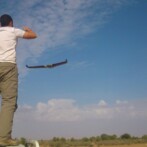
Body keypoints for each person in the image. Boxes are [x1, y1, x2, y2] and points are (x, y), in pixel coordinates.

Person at [0, 14, 37, 146]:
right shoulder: (13, 30)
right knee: (9, 102)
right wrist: (27, 29)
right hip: (8, 67)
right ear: (10, 22)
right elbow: (33, 35)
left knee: (8, 104)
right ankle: (3, 138)